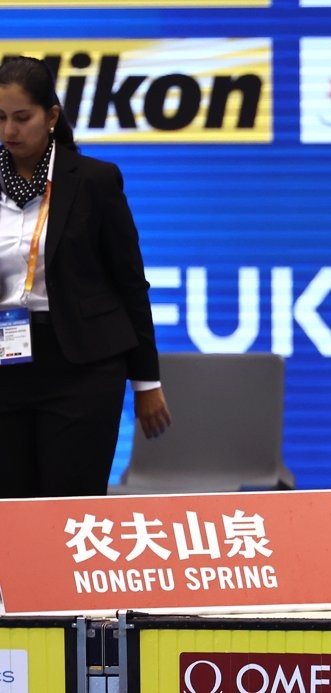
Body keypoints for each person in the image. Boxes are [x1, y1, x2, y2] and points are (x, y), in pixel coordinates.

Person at [0, 56, 171, 497]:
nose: (9, 132)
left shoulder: (94, 180)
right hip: (5, 361)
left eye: (22, 118)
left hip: (83, 366)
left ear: (51, 116)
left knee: (67, 511)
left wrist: (147, 381)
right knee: (10, 515)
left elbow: (131, 284)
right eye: (0, 118)